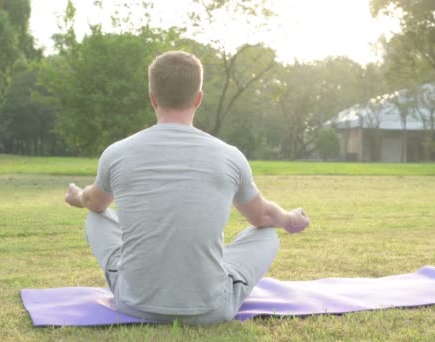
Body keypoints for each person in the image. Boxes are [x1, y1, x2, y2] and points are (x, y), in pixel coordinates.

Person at [64, 51, 310, 324]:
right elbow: (262, 217)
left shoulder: (116, 153)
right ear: (199, 99)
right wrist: (288, 219)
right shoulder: (230, 156)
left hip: (133, 303)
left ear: (152, 98)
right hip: (212, 309)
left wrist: (77, 197)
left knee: (95, 217)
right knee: (267, 235)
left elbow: (93, 202)